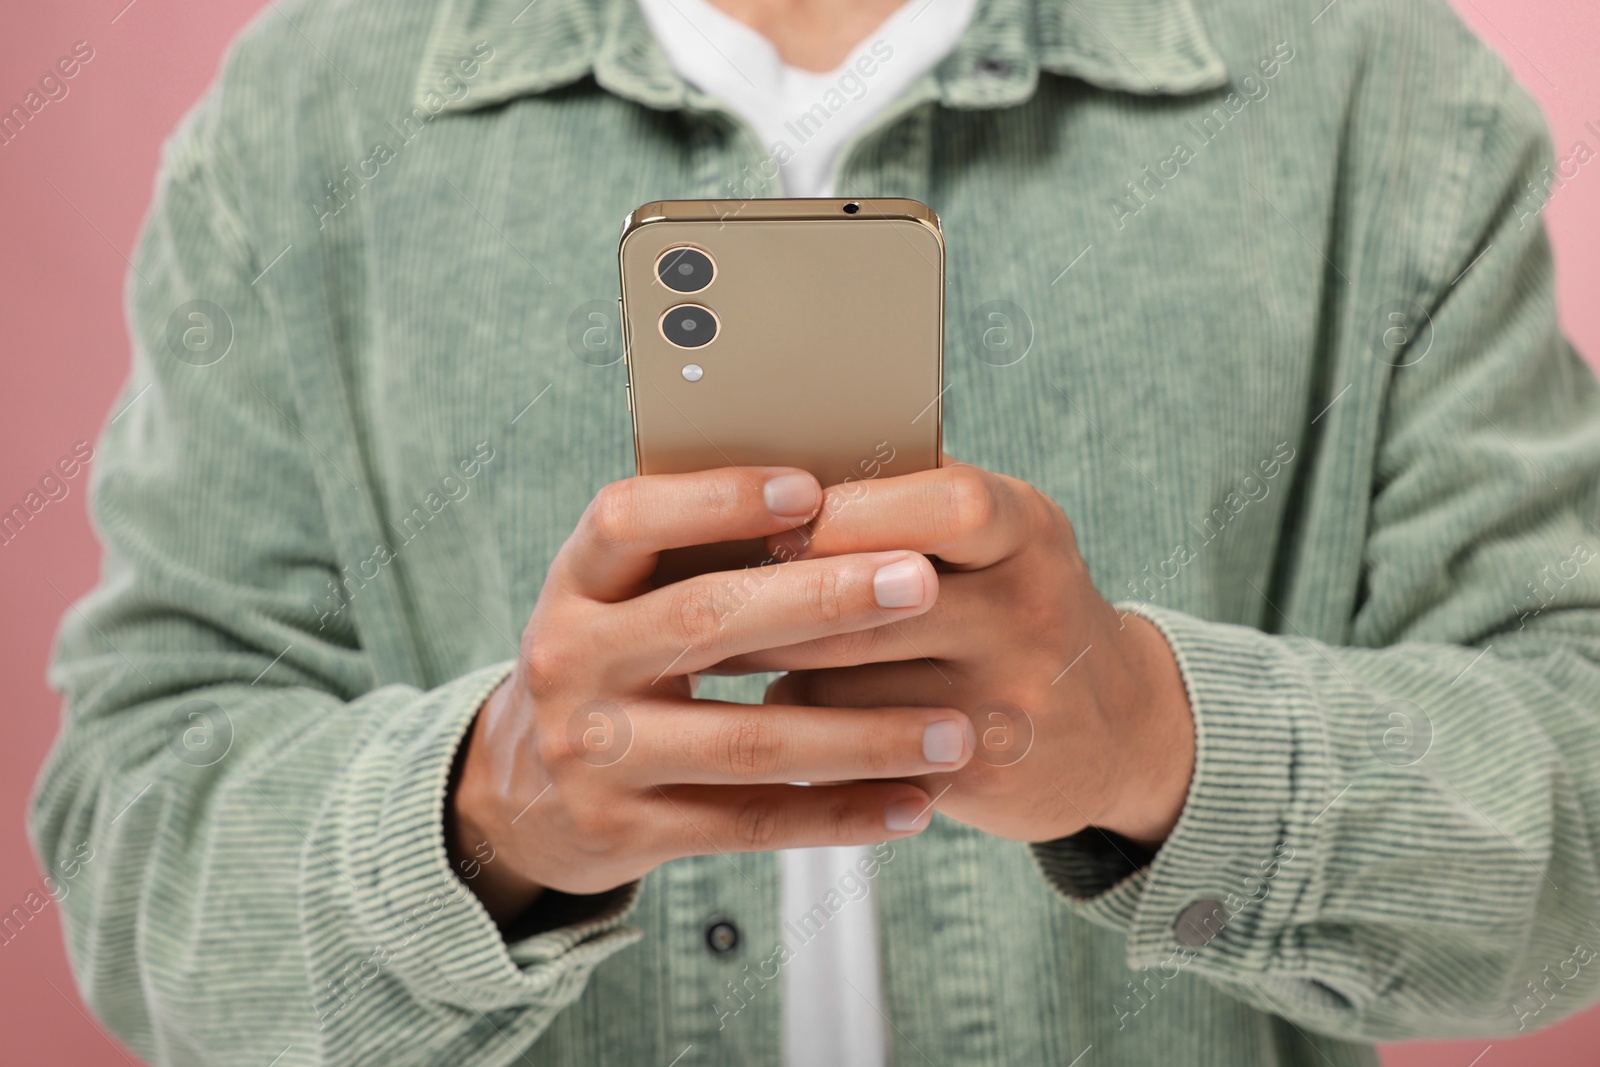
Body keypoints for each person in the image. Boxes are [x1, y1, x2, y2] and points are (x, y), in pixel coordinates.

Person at [30, 0, 1600, 1063]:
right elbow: (133, 833)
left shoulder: (1379, 93)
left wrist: (1153, 745)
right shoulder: (305, 117)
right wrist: (489, 816)